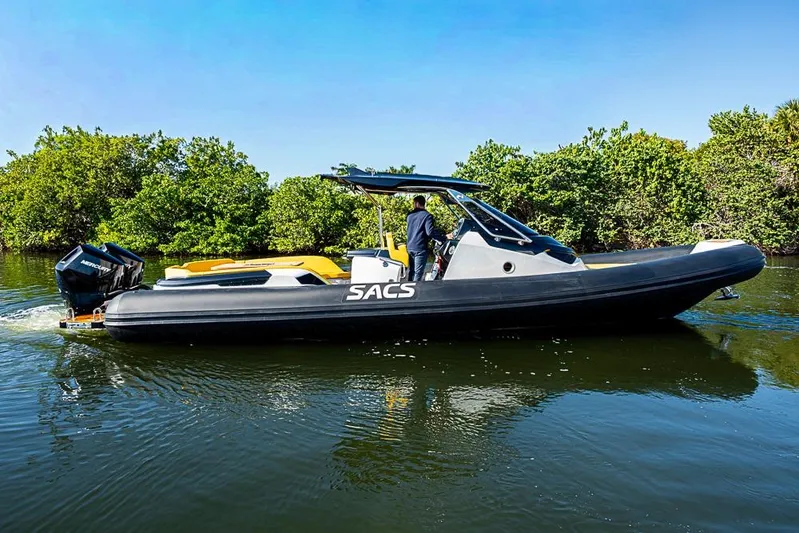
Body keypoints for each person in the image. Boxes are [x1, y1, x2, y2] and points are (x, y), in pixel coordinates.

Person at [405, 195, 452, 281]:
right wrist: (444, 237)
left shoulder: (409, 215)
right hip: (420, 248)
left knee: (412, 272)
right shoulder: (427, 216)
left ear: (416, 203)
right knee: (418, 274)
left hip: (410, 247)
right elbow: (429, 232)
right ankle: (416, 292)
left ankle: (409, 290)